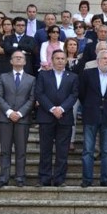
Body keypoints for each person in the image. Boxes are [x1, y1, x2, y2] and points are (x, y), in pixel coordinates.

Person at [78, 50, 107, 187]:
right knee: (88, 150)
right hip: (90, 115)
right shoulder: (87, 74)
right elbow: (82, 93)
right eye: (104, 58)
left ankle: (105, 180)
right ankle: (87, 180)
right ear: (97, 61)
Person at [35, 50, 79, 187]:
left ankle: (59, 179)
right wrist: (53, 109)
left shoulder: (73, 76)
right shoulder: (43, 75)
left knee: (62, 150)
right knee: (45, 149)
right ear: (52, 60)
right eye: (57, 58)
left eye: (62, 58)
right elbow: (39, 93)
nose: (60, 61)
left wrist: (62, 109)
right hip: (46, 116)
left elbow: (74, 95)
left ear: (66, 61)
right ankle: (44, 178)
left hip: (64, 118)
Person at [0, 50, 36, 188]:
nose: (18, 59)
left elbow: (32, 98)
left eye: (21, 57)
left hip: (22, 119)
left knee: (21, 150)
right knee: (5, 150)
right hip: (5, 119)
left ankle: (20, 177)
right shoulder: (3, 77)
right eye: (16, 57)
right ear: (11, 61)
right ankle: (4, 177)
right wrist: (10, 112)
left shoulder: (31, 79)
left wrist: (20, 113)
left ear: (25, 61)